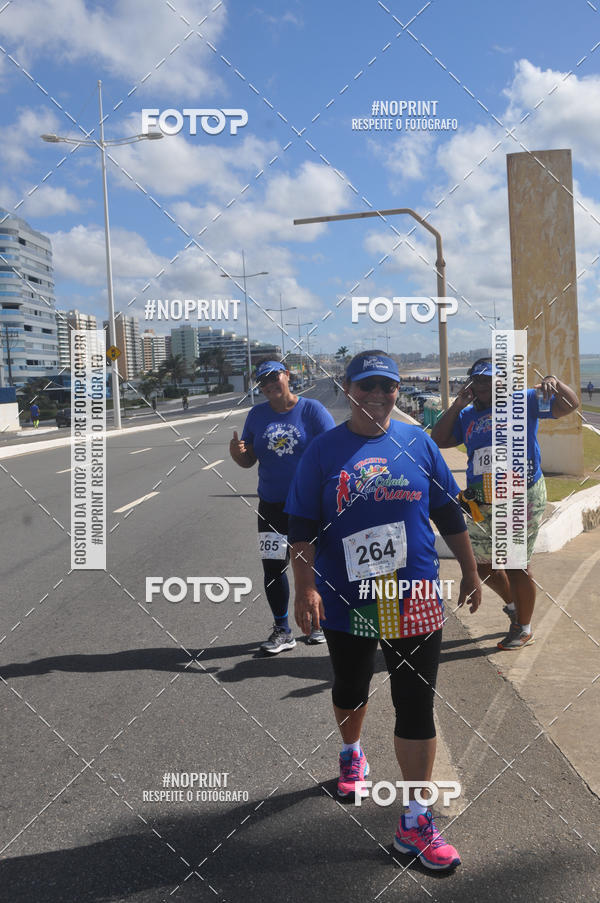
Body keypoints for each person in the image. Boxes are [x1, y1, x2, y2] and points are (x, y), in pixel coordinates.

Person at [286, 350, 481, 871]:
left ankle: (415, 821)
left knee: (415, 704)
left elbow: (447, 510)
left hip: (413, 592)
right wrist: (304, 587)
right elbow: (301, 524)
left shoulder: (417, 442)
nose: (377, 395)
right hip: (347, 596)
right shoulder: (324, 451)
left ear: (398, 392)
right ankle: (352, 754)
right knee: (351, 687)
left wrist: (469, 568)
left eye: (387, 387)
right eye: (366, 386)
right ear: (348, 389)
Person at [431, 357, 579, 650]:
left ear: (502, 382)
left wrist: (553, 379)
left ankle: (523, 628)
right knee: (482, 565)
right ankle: (514, 605)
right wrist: (458, 405)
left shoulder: (523, 400)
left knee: (515, 565)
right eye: (478, 379)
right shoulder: (468, 414)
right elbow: (439, 438)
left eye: (489, 379)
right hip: (482, 499)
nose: (483, 385)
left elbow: (569, 405)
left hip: (520, 494)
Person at [229, 358, 335, 654]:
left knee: (316, 564)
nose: (269, 385)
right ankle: (282, 630)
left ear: (287, 376)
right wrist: (237, 453)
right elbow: (248, 460)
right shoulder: (257, 415)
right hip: (273, 506)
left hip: (310, 506)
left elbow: (333, 452)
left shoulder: (312, 410)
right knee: (274, 568)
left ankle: (317, 622)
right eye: (263, 382)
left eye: (274, 377)